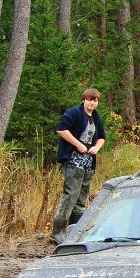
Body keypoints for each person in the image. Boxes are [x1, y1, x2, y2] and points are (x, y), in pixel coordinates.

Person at [51, 88, 106, 243]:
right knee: (71, 194)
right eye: (89, 99)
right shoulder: (74, 113)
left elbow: (101, 137)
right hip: (73, 159)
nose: (92, 102)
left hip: (88, 162)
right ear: (84, 100)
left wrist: (96, 147)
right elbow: (61, 129)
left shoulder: (96, 117)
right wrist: (78, 145)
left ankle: (75, 232)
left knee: (81, 198)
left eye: (95, 100)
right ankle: (57, 232)